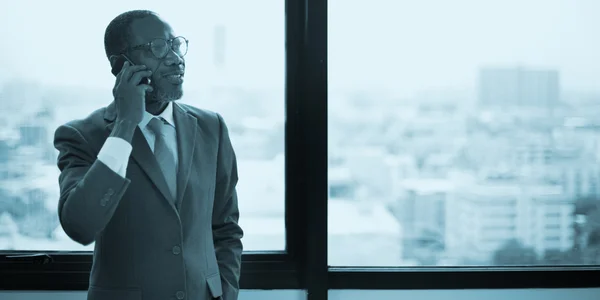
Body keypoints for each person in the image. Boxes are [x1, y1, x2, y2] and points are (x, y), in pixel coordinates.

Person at [53, 10, 243, 300]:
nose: (175, 58)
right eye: (157, 48)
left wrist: (226, 292)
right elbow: (80, 227)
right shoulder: (81, 136)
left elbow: (226, 228)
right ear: (121, 65)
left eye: (176, 44)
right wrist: (125, 125)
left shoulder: (211, 127)